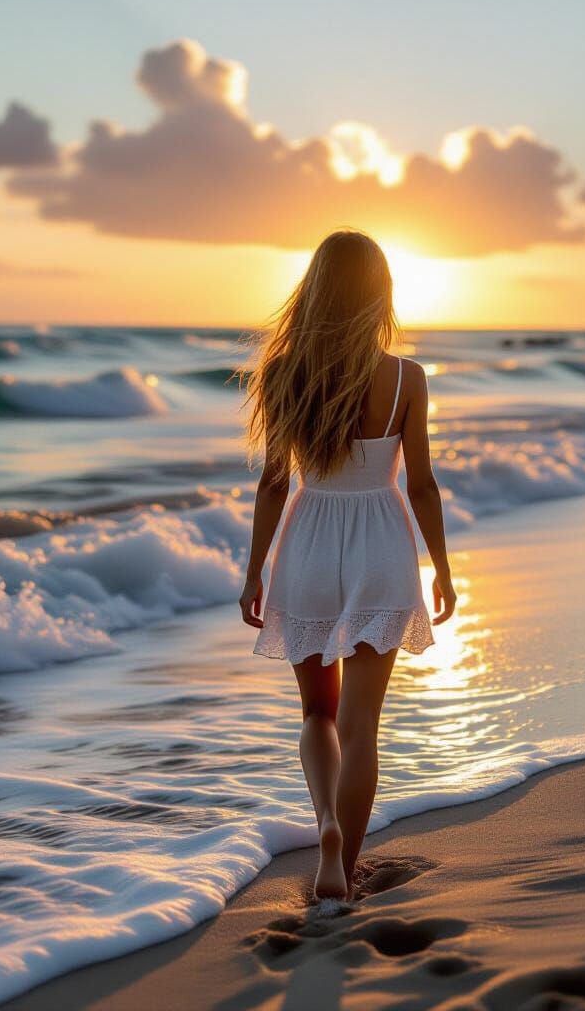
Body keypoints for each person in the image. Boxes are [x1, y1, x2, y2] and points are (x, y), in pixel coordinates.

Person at [239, 229, 457, 900]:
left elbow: (275, 483)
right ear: (379, 293)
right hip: (381, 541)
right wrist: (442, 567)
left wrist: (254, 573)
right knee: (364, 723)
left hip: (308, 542)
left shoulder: (284, 375)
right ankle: (346, 860)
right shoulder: (406, 378)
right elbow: (420, 484)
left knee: (318, 716)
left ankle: (327, 821)